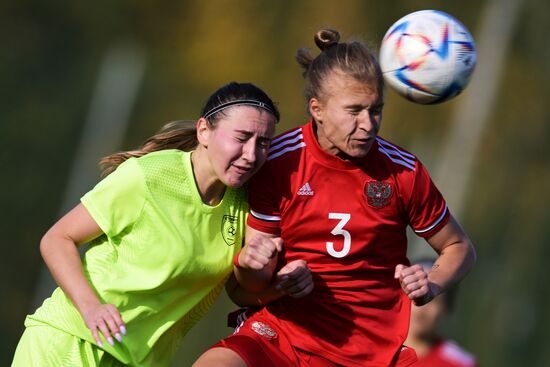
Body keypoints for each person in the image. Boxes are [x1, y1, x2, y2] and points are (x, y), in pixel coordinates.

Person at [194, 29, 476, 367]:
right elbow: (250, 284)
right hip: (283, 336)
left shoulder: (403, 172)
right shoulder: (278, 163)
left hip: (372, 354)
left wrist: (430, 284)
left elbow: (459, 247)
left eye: (376, 110)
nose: (368, 124)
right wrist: (264, 270)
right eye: (354, 111)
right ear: (317, 109)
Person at [11, 81, 282, 367]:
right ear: (204, 130)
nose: (252, 155)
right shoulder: (148, 176)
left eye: (263, 143)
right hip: (70, 344)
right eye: (241, 137)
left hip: (142, 361)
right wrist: (90, 308)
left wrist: (285, 283)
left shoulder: (248, 204)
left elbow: (238, 291)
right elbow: (57, 239)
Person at [406, 259, 478, 367]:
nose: (421, 307)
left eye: (432, 300)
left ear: (446, 308)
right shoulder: (375, 349)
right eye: (415, 294)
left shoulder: (460, 363)